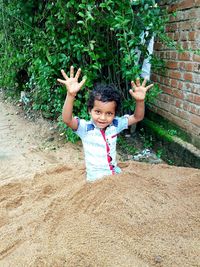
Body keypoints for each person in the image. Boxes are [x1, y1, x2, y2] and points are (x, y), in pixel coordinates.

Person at [57, 66, 153, 182]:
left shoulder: (116, 124)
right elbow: (67, 119)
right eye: (98, 112)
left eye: (109, 113)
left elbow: (138, 117)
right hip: (96, 180)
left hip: (114, 173)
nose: (103, 118)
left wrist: (140, 101)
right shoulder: (85, 128)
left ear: (115, 114)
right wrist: (71, 95)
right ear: (89, 110)